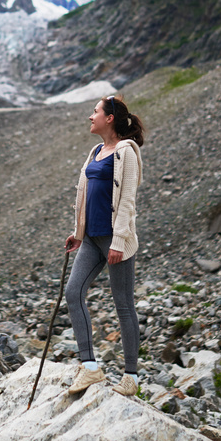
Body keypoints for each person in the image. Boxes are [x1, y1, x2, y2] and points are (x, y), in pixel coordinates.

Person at [64, 95, 145, 396]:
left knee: (123, 305)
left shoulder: (127, 152)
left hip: (114, 240)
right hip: (92, 239)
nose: (90, 117)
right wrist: (78, 233)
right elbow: (85, 196)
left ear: (109, 118)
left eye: (95, 112)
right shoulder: (96, 151)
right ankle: (90, 368)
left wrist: (120, 241)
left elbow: (127, 201)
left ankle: (132, 378)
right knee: (73, 293)